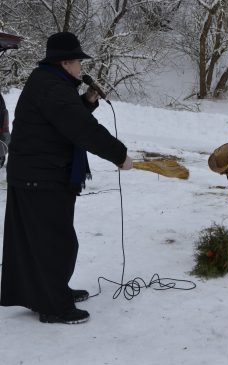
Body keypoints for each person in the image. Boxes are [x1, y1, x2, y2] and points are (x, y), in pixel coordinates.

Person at [0, 32, 133, 324]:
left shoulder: (49, 83)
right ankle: (53, 306)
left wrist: (86, 100)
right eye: (78, 63)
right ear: (65, 63)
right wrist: (119, 155)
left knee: (42, 240)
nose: (81, 70)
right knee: (54, 242)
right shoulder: (52, 88)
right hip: (41, 177)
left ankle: (49, 291)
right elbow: (82, 129)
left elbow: (60, 122)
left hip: (36, 174)